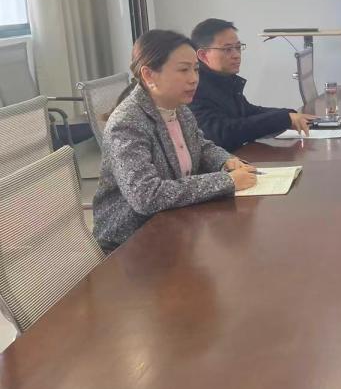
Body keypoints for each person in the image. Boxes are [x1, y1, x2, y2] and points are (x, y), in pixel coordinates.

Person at [93, 30, 258, 251]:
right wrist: (226, 181)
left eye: (196, 69)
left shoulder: (179, 108)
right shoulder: (127, 123)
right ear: (149, 75)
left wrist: (225, 161)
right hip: (132, 244)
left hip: (177, 226)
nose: (194, 78)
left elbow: (200, 146)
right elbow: (146, 196)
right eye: (183, 70)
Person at [189, 18, 317, 151]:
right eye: (227, 49)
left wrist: (289, 115)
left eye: (238, 47)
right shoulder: (194, 88)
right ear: (203, 55)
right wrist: (284, 119)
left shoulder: (224, 80)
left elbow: (248, 112)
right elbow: (223, 133)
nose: (236, 55)